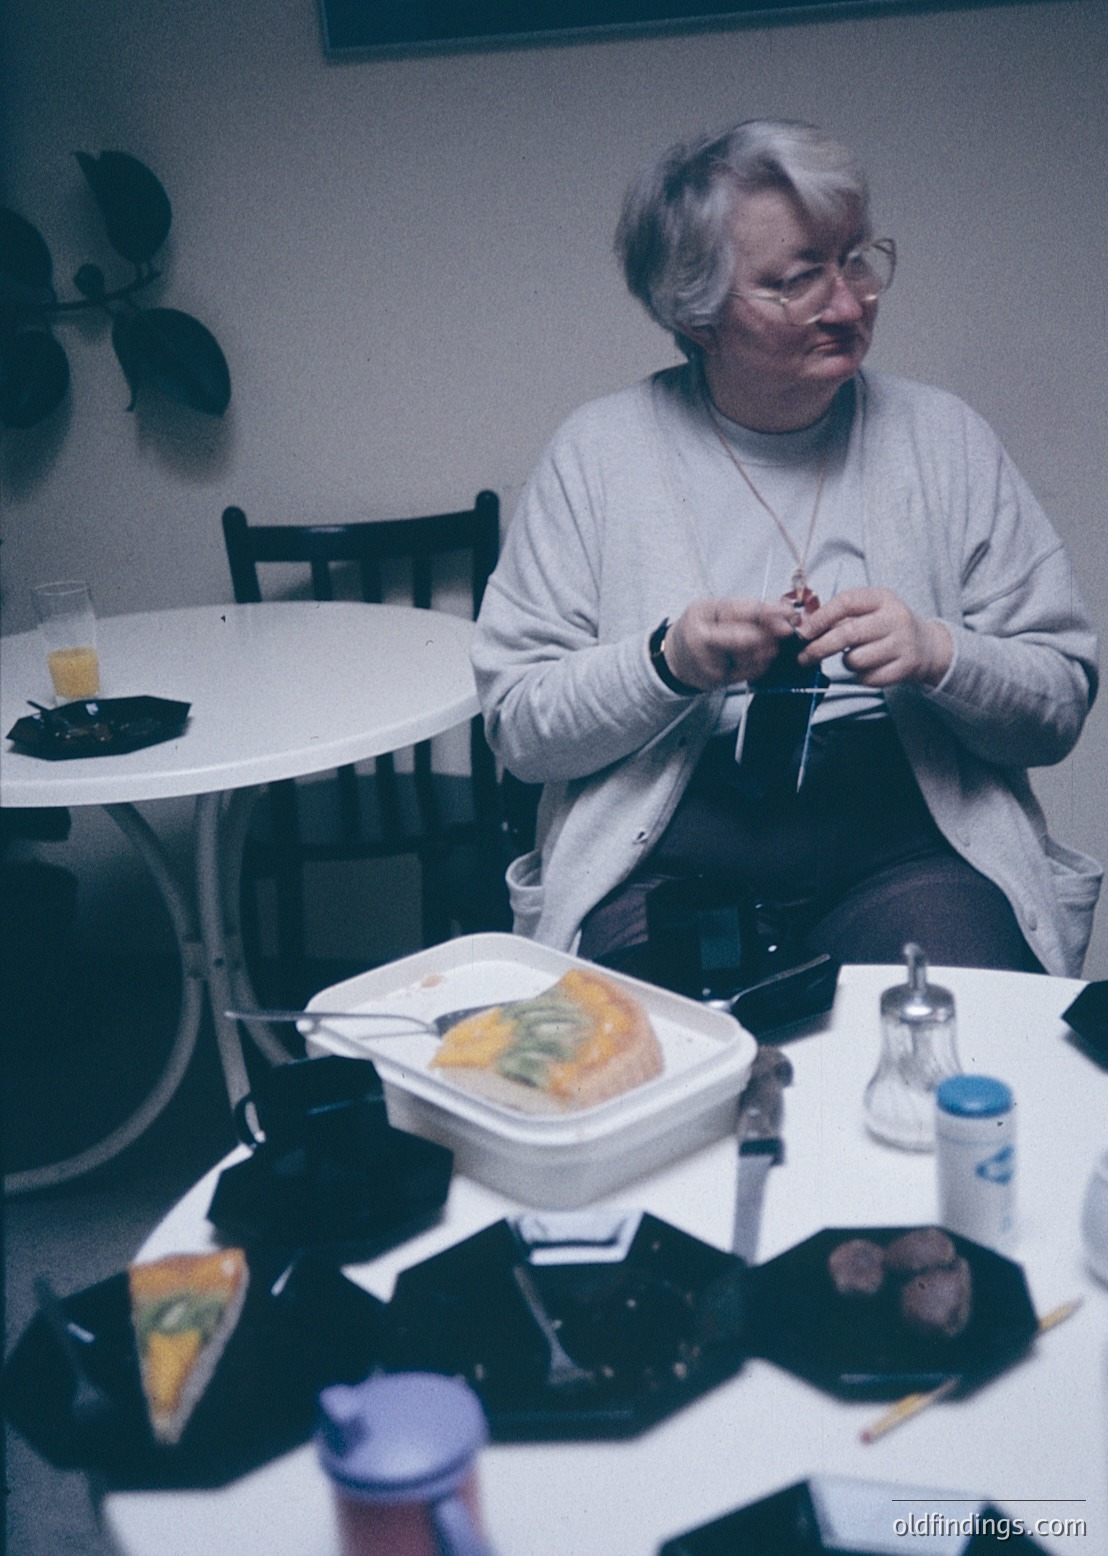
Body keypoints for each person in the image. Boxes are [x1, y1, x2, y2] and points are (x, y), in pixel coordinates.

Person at [472, 119, 1100, 980]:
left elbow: (1061, 700)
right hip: (668, 852)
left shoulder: (943, 437)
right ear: (696, 315)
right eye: (797, 280)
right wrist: (666, 664)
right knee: (652, 1075)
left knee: (968, 1056)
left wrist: (940, 655)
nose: (847, 305)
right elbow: (518, 729)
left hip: (902, 845)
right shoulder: (599, 454)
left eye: (853, 259)